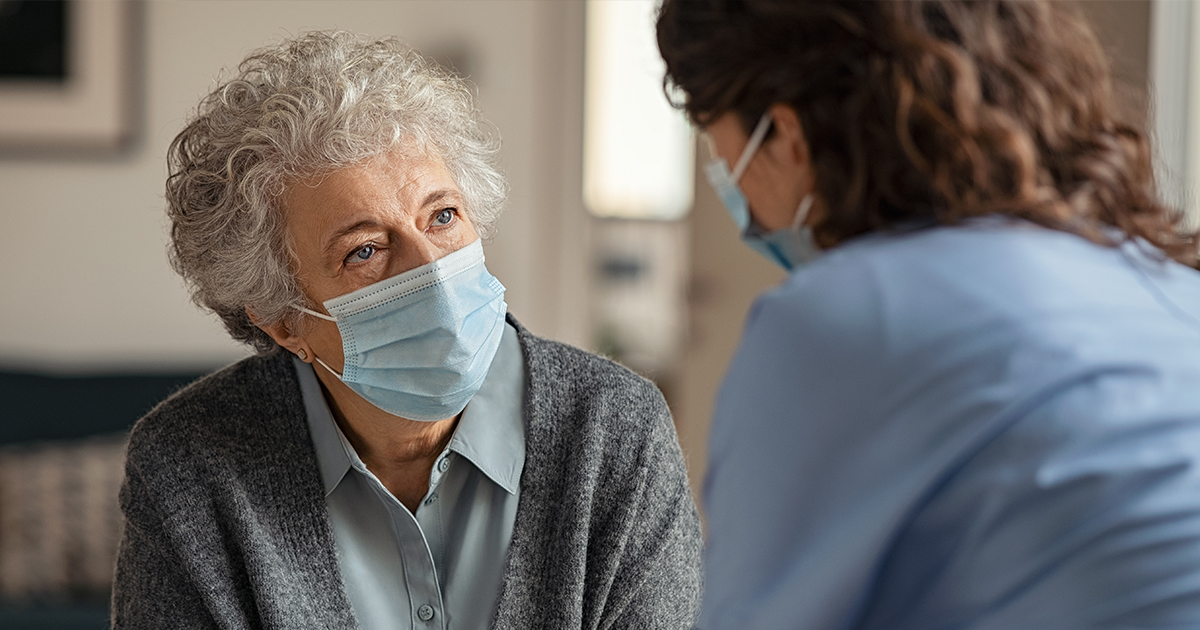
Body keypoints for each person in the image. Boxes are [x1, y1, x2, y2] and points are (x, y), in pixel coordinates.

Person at [111, 31, 702, 630]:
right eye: (365, 251)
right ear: (284, 321)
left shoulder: (617, 433)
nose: (433, 271)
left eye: (442, 216)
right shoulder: (187, 467)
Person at [657, 1, 1200, 628]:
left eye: (721, 149)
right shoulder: (1164, 284)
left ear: (784, 134)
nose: (733, 185)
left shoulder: (846, 321)